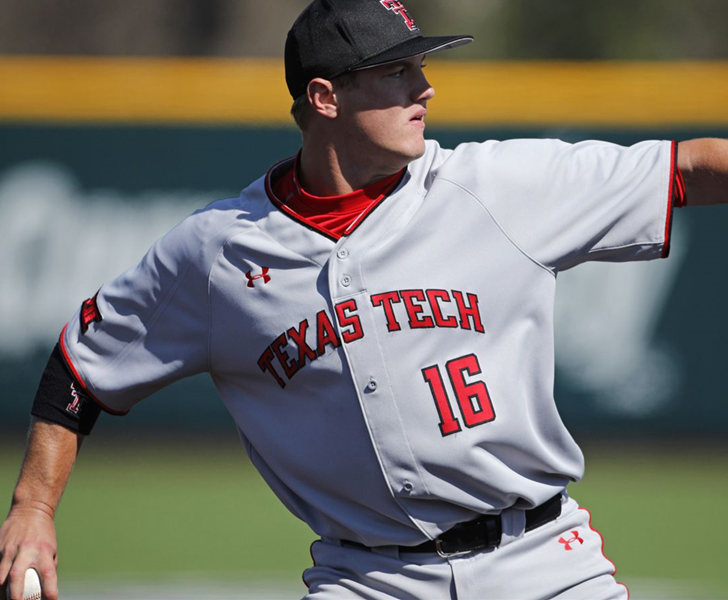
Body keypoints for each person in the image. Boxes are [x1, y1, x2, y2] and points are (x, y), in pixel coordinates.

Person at [2, 1, 727, 598]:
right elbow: (82, 367)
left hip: (541, 561)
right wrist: (33, 508)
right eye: (398, 71)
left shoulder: (501, 186)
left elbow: (687, 167)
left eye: (422, 66)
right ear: (325, 96)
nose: (426, 88)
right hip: (368, 576)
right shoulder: (218, 251)